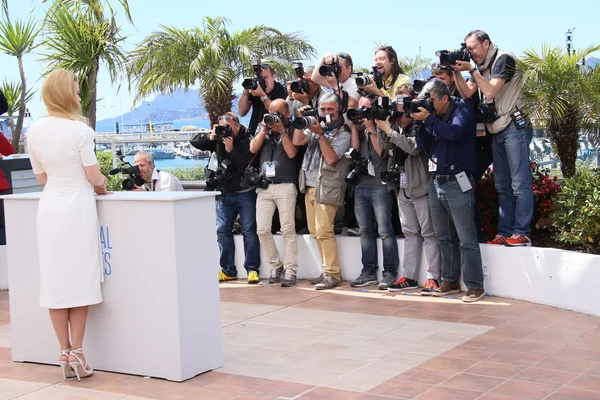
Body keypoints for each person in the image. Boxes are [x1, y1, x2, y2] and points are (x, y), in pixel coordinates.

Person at [26, 69, 110, 381]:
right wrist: (102, 186)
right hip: (77, 207)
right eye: (75, 90)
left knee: (56, 281)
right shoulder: (80, 131)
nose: (79, 95)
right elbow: (94, 177)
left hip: (50, 207)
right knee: (81, 281)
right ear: (65, 94)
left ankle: (64, 351)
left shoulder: (34, 132)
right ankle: (78, 351)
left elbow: (42, 177)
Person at [452, 30, 534, 246]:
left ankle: (522, 233)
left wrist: (471, 70)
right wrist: (455, 72)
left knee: (519, 183)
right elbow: (466, 94)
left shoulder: (503, 59)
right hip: (496, 130)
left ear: (486, 44)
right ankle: (505, 233)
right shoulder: (479, 66)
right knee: (502, 185)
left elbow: (489, 92)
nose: (471, 53)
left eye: (473, 48)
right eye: (468, 49)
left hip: (515, 126)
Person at [412, 78, 485, 303]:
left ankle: (475, 286)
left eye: (432, 100)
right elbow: (425, 145)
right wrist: (418, 123)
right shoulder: (433, 116)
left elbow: (454, 132)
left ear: (444, 97)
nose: (430, 105)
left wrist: (429, 119)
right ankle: (450, 280)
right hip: (437, 180)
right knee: (444, 236)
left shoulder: (461, 108)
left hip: (458, 180)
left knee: (466, 237)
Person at [376, 87, 442, 295]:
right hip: (403, 188)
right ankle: (409, 277)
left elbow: (414, 148)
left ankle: (433, 278)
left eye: (402, 113)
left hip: (421, 186)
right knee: (410, 233)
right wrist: (380, 127)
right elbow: (384, 150)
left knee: (429, 233)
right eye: (396, 112)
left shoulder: (422, 126)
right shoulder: (397, 128)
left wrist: (389, 130)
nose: (399, 117)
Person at [189, 112, 261, 284]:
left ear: (237, 125)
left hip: (245, 193)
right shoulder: (219, 139)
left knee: (249, 231)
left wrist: (231, 150)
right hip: (225, 193)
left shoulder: (248, 139)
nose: (226, 131)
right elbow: (194, 142)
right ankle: (228, 270)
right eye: (222, 127)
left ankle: (252, 269)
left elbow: (246, 167)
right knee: (222, 231)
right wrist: (211, 135)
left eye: (228, 127)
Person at [293, 93, 351, 290]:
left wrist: (319, 134)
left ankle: (333, 274)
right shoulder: (318, 126)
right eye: (323, 109)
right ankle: (327, 270)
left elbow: (332, 158)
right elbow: (297, 141)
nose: (326, 114)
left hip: (326, 187)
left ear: (339, 110)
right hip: (309, 185)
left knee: (324, 231)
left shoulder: (343, 133)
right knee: (315, 232)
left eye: (330, 110)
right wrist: (300, 121)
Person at [348, 97, 399, 290]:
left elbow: (383, 154)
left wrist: (371, 129)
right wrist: (354, 127)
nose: (362, 113)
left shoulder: (383, 126)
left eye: (366, 109)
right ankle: (368, 271)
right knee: (365, 231)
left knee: (385, 231)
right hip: (361, 185)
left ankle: (389, 273)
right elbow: (353, 150)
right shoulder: (360, 130)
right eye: (361, 109)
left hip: (380, 185)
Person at [249, 99, 299, 287]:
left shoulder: (293, 129)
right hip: (264, 187)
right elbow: (253, 148)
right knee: (262, 229)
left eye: (277, 113)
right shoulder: (264, 130)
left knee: (288, 229)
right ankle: (275, 265)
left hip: (285, 186)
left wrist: (282, 131)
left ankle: (290, 270)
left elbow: (292, 153)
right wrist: (263, 129)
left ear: (286, 114)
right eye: (271, 112)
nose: (273, 116)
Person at [238, 63, 287, 136]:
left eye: (265, 78)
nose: (262, 81)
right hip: (254, 133)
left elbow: (278, 112)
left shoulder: (281, 90)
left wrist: (262, 95)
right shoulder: (255, 88)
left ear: (273, 76)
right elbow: (242, 112)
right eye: (260, 78)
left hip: (274, 134)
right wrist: (246, 90)